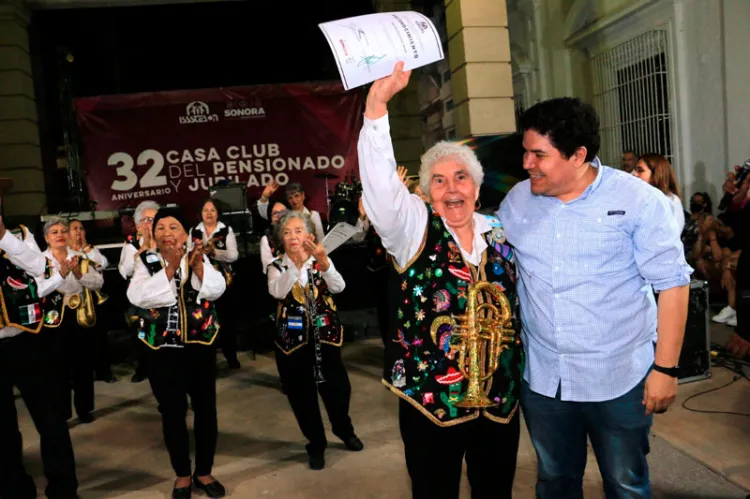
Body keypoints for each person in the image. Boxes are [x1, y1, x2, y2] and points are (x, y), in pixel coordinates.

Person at [498, 97, 692, 499]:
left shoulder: (638, 201)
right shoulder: (518, 201)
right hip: (545, 380)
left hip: (619, 379)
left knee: (625, 484)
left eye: (539, 155)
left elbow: (672, 284)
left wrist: (666, 369)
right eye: (525, 152)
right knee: (555, 481)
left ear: (578, 155)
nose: (527, 164)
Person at [359, 62, 524, 499]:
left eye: (460, 177)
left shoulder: (502, 233)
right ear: (427, 192)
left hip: (500, 402)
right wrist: (376, 107)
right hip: (431, 403)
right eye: (438, 180)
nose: (451, 189)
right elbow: (380, 192)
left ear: (477, 185)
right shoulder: (413, 229)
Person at [127, 208, 227, 499]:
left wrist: (196, 269)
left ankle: (204, 471)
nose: (167, 233)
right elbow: (138, 297)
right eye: (160, 228)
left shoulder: (200, 257)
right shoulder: (145, 261)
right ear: (153, 235)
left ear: (185, 234)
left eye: (174, 227)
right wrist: (169, 269)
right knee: (172, 412)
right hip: (161, 351)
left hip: (200, 348)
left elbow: (217, 289)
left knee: (206, 410)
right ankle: (182, 474)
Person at [267, 210, 363, 470]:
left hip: (327, 338)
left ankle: (344, 430)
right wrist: (296, 265)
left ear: (309, 235)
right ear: (281, 240)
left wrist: (325, 263)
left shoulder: (321, 260)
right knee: (302, 396)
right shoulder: (276, 266)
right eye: (287, 233)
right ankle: (316, 444)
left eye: (298, 231)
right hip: (292, 343)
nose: (293, 236)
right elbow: (276, 291)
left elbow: (339, 287)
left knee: (338, 389)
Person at [0, 216, 80, 499]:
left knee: (51, 421)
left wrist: (2, 236)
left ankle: (63, 489)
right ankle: (14, 488)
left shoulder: (19, 235)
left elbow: (39, 269)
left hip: (27, 340)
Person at [42, 217, 105, 424]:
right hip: (53, 318)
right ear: (46, 238)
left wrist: (78, 274)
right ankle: (61, 413)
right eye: (54, 232)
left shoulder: (80, 257)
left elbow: (98, 283)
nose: (60, 235)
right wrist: (59, 274)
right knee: (57, 368)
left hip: (79, 315)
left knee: (83, 364)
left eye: (63, 231)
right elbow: (38, 288)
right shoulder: (39, 261)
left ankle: (84, 408)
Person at [189, 199, 240, 369]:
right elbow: (189, 255)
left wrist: (214, 252)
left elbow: (233, 256)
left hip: (224, 282)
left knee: (226, 321)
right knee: (204, 320)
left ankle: (231, 355)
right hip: (201, 282)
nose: (209, 213)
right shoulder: (194, 231)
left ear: (218, 213)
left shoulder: (226, 230)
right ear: (200, 213)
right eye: (205, 210)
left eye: (212, 210)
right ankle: (208, 359)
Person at [67, 219, 117, 384]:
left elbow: (102, 264)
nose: (79, 231)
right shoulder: (64, 252)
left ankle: (104, 370)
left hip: (94, 298)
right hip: (75, 301)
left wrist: (86, 248)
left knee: (99, 337)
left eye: (81, 228)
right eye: (75, 229)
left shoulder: (90, 250)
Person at [119, 200, 159, 383]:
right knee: (141, 338)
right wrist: (140, 253)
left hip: (163, 301)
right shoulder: (131, 246)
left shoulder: (166, 241)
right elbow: (125, 271)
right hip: (142, 302)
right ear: (137, 225)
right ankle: (143, 368)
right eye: (146, 220)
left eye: (154, 219)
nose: (150, 223)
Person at [632, 153, 685, 233]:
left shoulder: (671, 201)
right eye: (635, 170)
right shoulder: (636, 198)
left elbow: (672, 235)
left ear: (656, 174)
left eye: (640, 170)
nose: (634, 174)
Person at [258, 182, 325, 243]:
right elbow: (265, 214)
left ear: (303, 196)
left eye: (296, 196)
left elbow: (321, 239)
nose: (294, 200)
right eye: (290, 198)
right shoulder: (286, 215)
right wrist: (264, 197)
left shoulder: (313, 215)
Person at [259, 200, 290, 273]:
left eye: (282, 212)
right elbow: (268, 264)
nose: (279, 216)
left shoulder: (298, 234)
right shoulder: (266, 239)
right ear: (271, 220)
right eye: (275, 213)